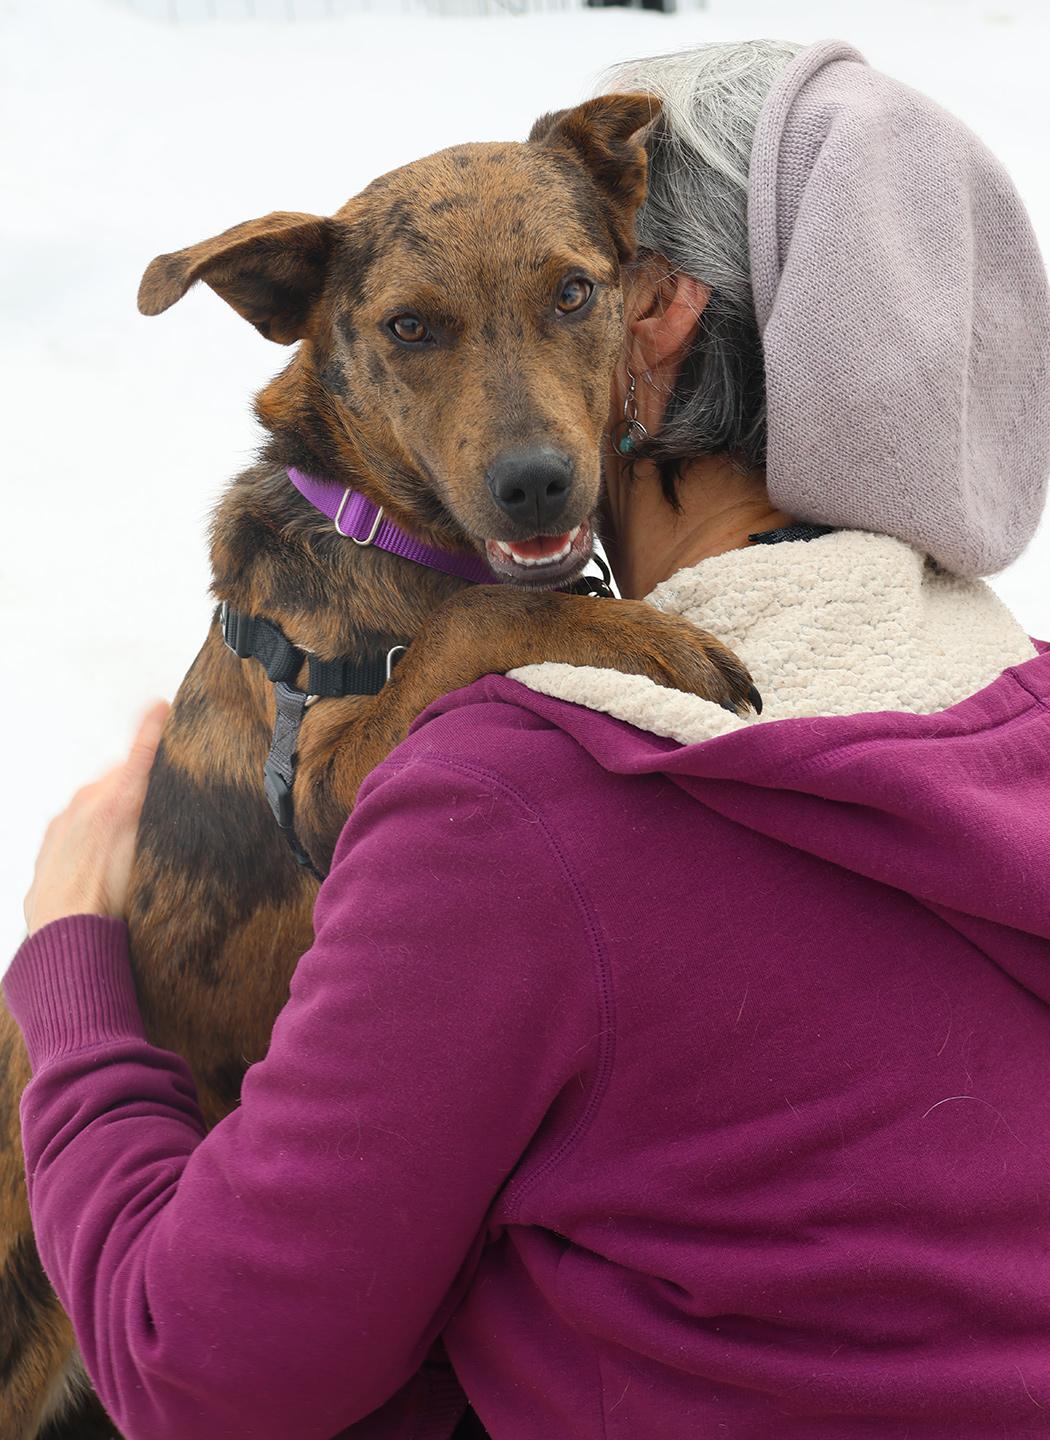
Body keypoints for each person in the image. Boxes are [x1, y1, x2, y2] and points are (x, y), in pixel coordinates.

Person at [7, 37, 1050, 1440]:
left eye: (573, 294)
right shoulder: (1015, 716)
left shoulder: (527, 805)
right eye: (428, 329)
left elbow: (200, 1372)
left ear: (653, 318)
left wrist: (66, 963)